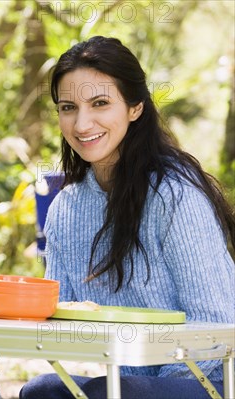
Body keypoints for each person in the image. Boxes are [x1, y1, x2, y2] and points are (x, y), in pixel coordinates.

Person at [20, 36, 235, 399]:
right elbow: (60, 321)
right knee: (40, 392)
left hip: (209, 380)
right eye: (68, 107)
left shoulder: (175, 197)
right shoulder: (64, 209)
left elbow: (215, 326)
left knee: (118, 392)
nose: (82, 123)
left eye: (100, 103)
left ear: (135, 107)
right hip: (126, 384)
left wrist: (139, 387)